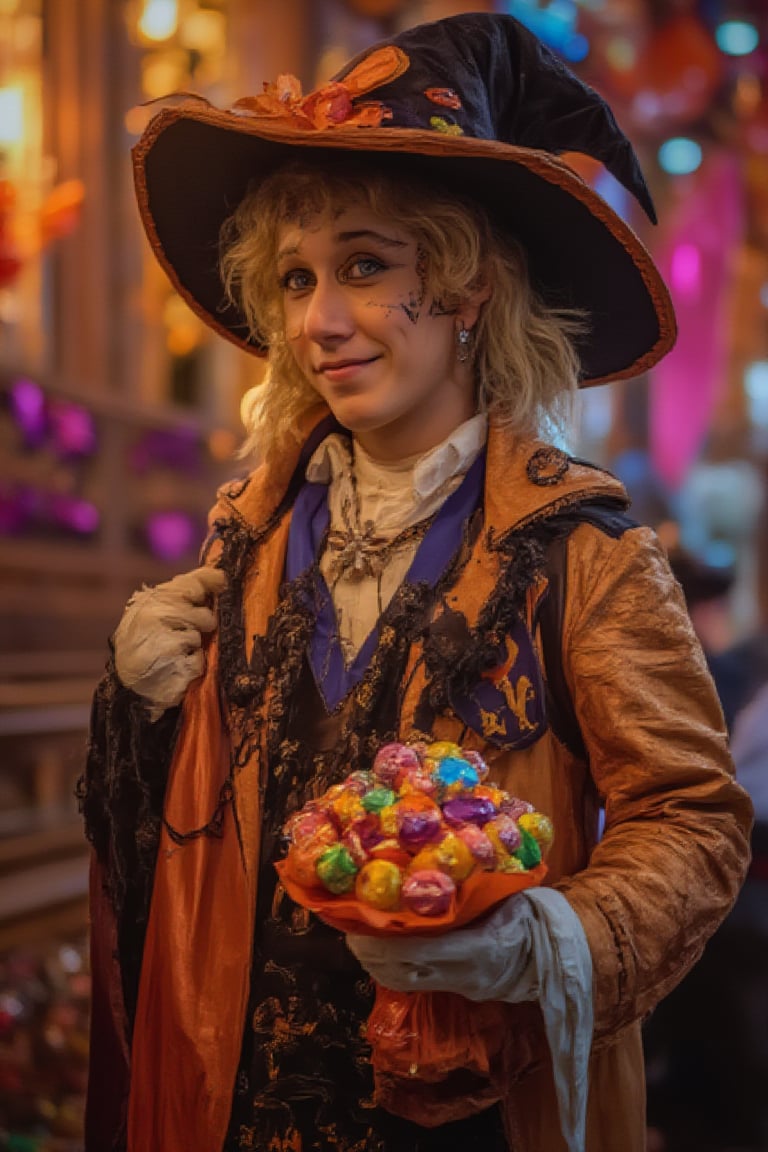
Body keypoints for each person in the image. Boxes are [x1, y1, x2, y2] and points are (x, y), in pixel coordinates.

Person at [78, 13, 753, 1152]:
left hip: (472, 1116)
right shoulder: (234, 550)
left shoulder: (582, 553)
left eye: (365, 266)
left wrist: (549, 941)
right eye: (295, 278)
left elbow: (693, 822)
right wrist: (140, 712)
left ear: (468, 287)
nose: (320, 323)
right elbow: (174, 869)